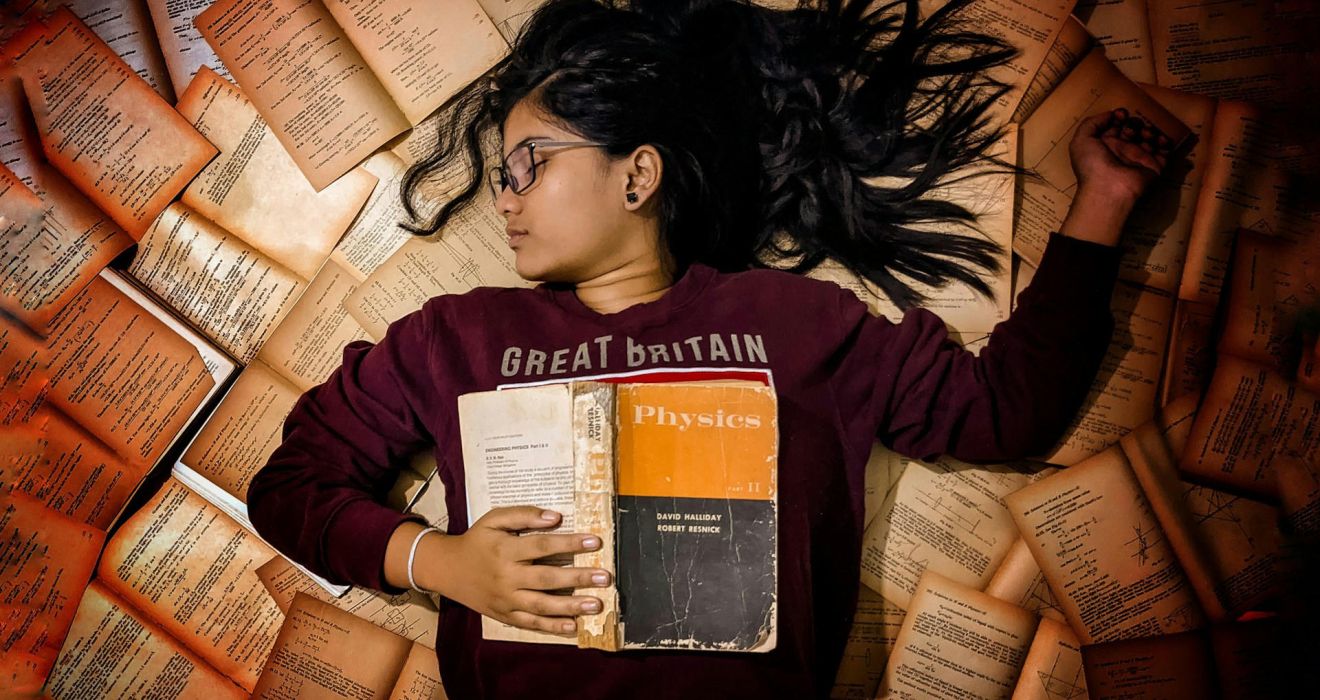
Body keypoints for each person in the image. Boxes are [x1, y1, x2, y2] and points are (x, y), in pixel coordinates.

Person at [248, 0, 1172, 697]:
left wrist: (1104, 203)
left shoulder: (797, 324)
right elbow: (289, 490)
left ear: (638, 173)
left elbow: (1002, 411)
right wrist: (434, 560)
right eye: (500, 177)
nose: (505, 200)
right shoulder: (453, 336)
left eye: (530, 164)